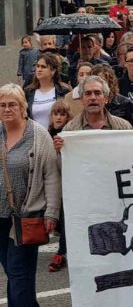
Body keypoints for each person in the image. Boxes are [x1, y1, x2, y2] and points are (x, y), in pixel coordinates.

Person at [0, 83, 61, 307]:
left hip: (27, 215)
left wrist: (52, 213)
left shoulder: (38, 135)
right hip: (1, 216)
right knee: (13, 271)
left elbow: (51, 175)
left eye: (12, 105)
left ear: (23, 106)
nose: (7, 109)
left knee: (18, 271)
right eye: (3, 105)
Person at [46, 100, 72, 273]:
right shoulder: (45, 134)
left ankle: (62, 252)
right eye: (56, 113)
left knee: (66, 221)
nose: (58, 117)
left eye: (62, 114)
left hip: (67, 182)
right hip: (53, 182)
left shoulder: (70, 136)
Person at [58, 75, 132, 132]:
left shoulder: (124, 127)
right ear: (81, 100)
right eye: (88, 93)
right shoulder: (69, 130)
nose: (93, 97)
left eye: (97, 93)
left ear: (106, 98)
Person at [26, 53, 72, 129]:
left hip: (57, 136)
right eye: (37, 66)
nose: (39, 69)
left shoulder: (64, 90)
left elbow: (70, 116)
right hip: (36, 136)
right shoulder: (29, 91)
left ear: (53, 71)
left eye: (43, 67)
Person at [91, 63, 133, 129]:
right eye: (97, 81)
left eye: (103, 81)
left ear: (110, 81)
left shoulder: (126, 103)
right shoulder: (89, 102)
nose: (100, 85)